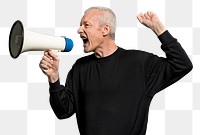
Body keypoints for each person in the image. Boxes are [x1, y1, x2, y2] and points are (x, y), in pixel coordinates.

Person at [39, 7, 193, 135]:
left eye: (86, 25)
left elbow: (182, 64)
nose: (79, 30)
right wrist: (54, 79)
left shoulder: (139, 63)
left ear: (105, 29)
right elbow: (63, 111)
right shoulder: (80, 67)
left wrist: (159, 29)